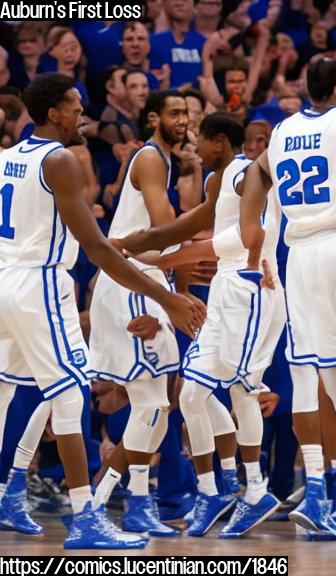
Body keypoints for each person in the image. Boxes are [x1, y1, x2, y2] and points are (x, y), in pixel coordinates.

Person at [0, 73, 203, 549]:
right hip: (41, 282)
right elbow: (95, 246)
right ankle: (86, 516)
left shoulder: (8, 157)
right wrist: (168, 297)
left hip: (6, 277)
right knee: (72, 394)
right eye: (74, 107)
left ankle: (9, 492)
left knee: (10, 390)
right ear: (53, 113)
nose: (81, 115)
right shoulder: (62, 160)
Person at [238, 58, 336, 540]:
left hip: (295, 255)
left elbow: (252, 180)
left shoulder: (280, 130)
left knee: (309, 375)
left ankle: (323, 490)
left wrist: (251, 232)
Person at [116, 113, 285, 538]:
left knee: (243, 391)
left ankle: (256, 492)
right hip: (227, 289)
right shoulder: (219, 180)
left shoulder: (250, 174)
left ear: (221, 142)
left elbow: (248, 238)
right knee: (190, 393)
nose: (195, 150)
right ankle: (213, 491)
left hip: (252, 290)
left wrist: (167, 257)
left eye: (200, 142)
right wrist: (146, 241)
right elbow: (194, 222)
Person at [87, 90, 191, 538]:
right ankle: (95, 505)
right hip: (133, 282)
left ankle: (138, 503)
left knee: (158, 406)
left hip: (145, 280)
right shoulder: (150, 159)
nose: (183, 120)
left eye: (187, 113)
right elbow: (164, 224)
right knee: (149, 403)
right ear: (153, 118)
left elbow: (165, 235)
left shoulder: (163, 161)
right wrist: (207, 233)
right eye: (174, 113)